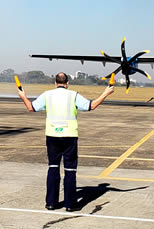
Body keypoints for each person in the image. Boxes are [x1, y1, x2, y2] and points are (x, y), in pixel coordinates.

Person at [17, 72, 115, 211]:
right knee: (70, 170)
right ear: (67, 83)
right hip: (69, 136)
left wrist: (23, 96)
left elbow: (31, 107)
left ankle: (51, 203)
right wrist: (106, 93)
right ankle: (70, 204)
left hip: (52, 136)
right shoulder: (73, 95)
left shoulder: (47, 95)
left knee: (53, 168)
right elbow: (91, 106)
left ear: (55, 83)